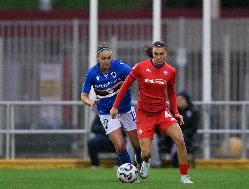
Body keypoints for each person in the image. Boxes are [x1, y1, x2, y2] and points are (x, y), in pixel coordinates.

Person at [110, 41, 194, 184]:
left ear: (166, 54)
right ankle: (146, 162)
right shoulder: (140, 67)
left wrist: (176, 112)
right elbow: (124, 87)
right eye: (156, 54)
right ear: (152, 53)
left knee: (180, 140)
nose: (159, 57)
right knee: (147, 153)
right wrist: (115, 106)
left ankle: (184, 177)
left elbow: (172, 93)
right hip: (144, 114)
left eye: (161, 54)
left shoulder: (170, 71)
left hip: (162, 112)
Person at [81, 43, 142, 169]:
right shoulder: (92, 73)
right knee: (120, 146)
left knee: (137, 144)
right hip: (106, 113)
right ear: (98, 58)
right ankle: (129, 171)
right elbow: (83, 95)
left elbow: (135, 75)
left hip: (125, 109)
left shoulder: (120, 66)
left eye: (109, 58)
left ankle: (141, 165)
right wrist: (89, 102)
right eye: (103, 58)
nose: (107, 61)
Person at [164, 91, 199, 167]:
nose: (179, 101)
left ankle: (176, 164)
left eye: (181, 99)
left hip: (188, 137)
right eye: (177, 99)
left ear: (187, 100)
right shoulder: (172, 112)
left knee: (180, 140)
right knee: (176, 139)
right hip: (172, 137)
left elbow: (194, 128)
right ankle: (178, 164)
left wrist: (183, 134)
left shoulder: (194, 111)